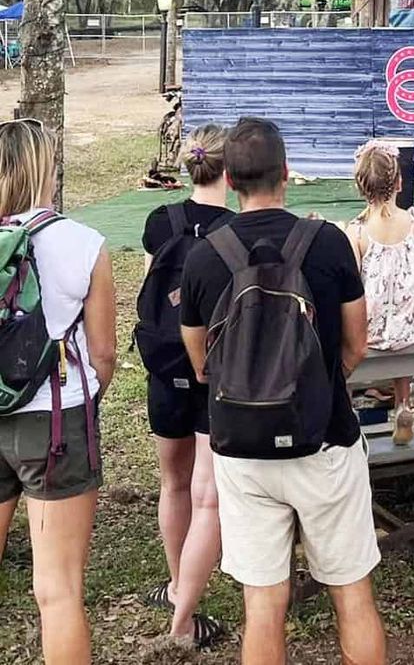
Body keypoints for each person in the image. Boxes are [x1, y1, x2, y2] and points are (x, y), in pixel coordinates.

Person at [180, 117, 385, 665]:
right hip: (326, 440)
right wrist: (315, 387)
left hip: (242, 448)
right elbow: (356, 343)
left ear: (228, 178)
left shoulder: (204, 257)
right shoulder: (328, 244)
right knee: (351, 594)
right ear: (287, 174)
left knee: (263, 608)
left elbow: (201, 363)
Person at [0, 119, 116, 665]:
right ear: (45, 170)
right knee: (58, 591)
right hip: (54, 424)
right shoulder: (83, 243)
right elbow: (104, 354)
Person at [141, 125, 230, 647]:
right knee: (207, 497)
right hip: (215, 371)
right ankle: (186, 612)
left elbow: (154, 289)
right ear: (228, 170)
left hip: (164, 365)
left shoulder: (160, 221)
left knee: (172, 484)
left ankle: (178, 585)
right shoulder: (237, 232)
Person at [349, 139, 414, 446]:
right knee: (397, 313)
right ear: (399, 182)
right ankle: (403, 402)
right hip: (410, 326)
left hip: (371, 330)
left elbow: (350, 282)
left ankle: (349, 404)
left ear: (361, 186)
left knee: (356, 321)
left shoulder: (356, 231)